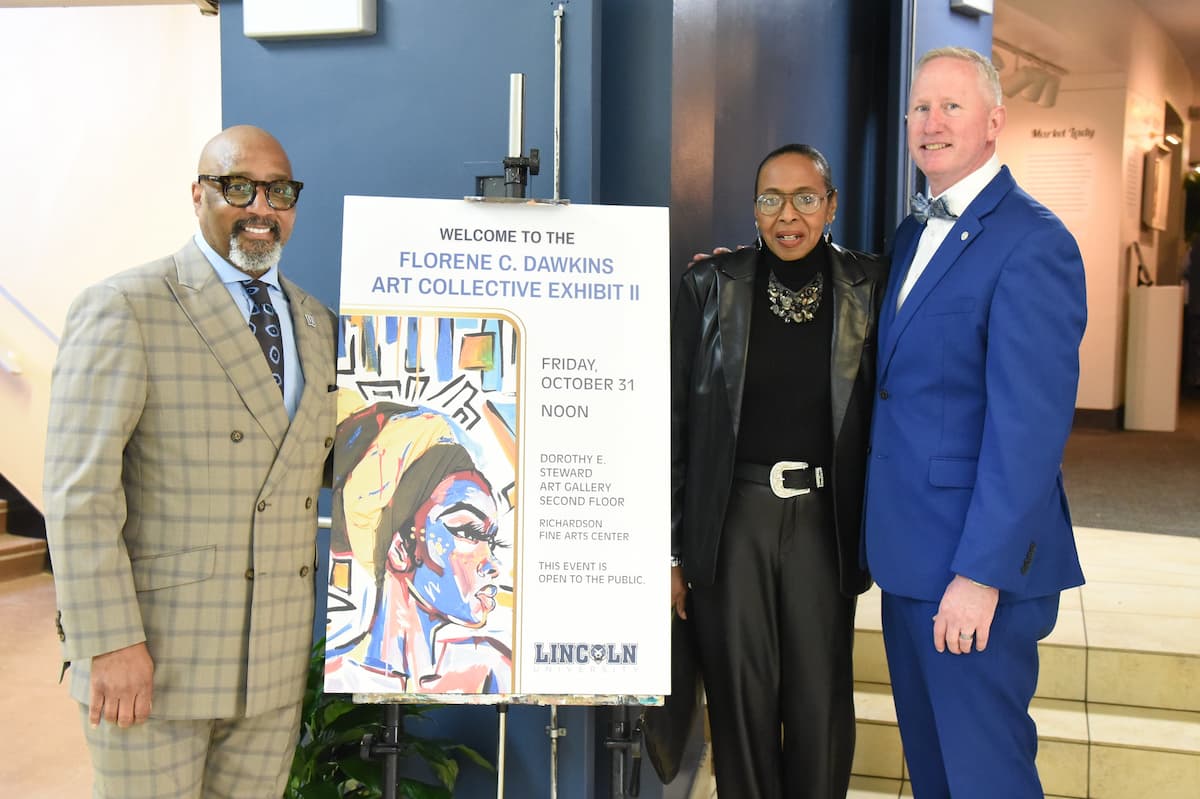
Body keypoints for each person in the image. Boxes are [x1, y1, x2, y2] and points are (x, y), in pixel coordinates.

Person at [43, 125, 337, 798]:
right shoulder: (126, 306)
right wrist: (109, 642)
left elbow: (327, 464)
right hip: (156, 661)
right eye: (239, 187)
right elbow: (78, 495)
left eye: (279, 191)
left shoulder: (317, 324)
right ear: (199, 194)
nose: (261, 206)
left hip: (272, 659)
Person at [863, 47, 1087, 799]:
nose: (932, 123)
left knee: (986, 778)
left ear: (995, 121)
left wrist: (981, 574)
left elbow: (1028, 433)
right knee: (936, 779)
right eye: (921, 108)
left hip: (970, 570)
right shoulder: (911, 234)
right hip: (909, 562)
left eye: (952, 107)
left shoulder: (1033, 242)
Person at [671, 143, 886, 799]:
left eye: (804, 197)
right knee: (740, 698)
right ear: (753, 207)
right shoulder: (711, 285)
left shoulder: (870, 287)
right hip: (732, 520)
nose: (786, 214)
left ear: (831, 205)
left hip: (824, 518)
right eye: (770, 198)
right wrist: (671, 549)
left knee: (821, 698)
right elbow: (675, 423)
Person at [325, 402, 512, 694]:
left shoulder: (491, 670)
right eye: (468, 532)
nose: (492, 564)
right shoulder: (339, 678)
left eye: (491, 540)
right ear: (400, 548)